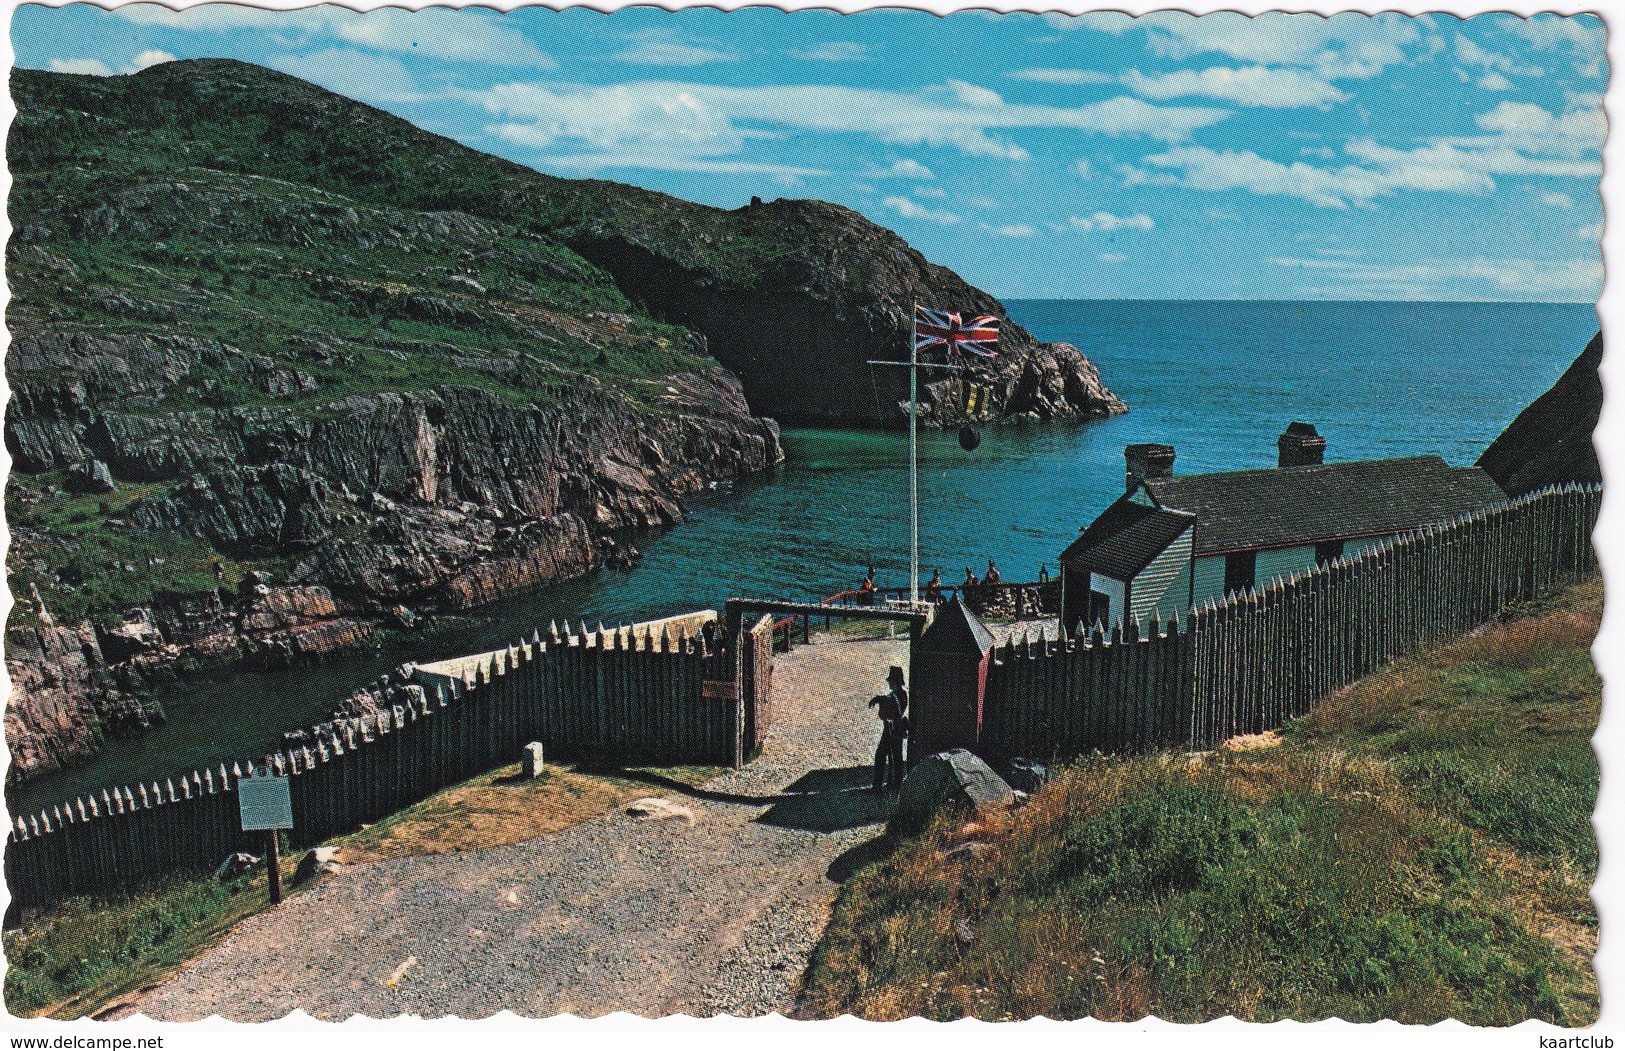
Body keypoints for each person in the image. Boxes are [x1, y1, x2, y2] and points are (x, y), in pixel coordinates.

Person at [869, 666, 909, 793]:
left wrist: (880, 701)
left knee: (893, 759)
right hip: (891, 730)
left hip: (894, 730)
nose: (889, 683)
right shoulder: (897, 695)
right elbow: (887, 701)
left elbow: (891, 712)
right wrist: (878, 699)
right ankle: (883, 786)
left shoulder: (899, 695)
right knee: (886, 757)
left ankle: (892, 786)